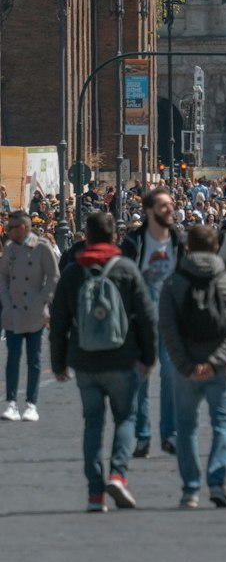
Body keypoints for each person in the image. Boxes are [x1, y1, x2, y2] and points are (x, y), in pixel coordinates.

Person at [49, 210, 157, 511]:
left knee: (92, 424)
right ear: (114, 236)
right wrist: (149, 357)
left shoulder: (72, 271)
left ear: (86, 235)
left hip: (85, 361)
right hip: (123, 358)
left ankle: (95, 494)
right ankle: (118, 476)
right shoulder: (125, 269)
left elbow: (59, 323)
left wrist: (59, 363)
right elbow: (146, 318)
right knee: (126, 418)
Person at [159, 223, 226, 508]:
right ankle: (217, 481)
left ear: (187, 248)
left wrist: (186, 364)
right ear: (216, 248)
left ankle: (190, 489)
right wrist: (217, 362)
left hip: (186, 367)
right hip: (221, 368)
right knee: (223, 423)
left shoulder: (173, 283)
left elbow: (168, 329)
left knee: (186, 427)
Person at [121, 188, 186, 457]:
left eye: (171, 205)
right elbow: (123, 280)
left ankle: (169, 434)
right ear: (149, 211)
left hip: (171, 320)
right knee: (140, 380)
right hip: (141, 322)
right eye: (163, 206)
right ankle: (143, 436)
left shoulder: (177, 240)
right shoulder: (134, 242)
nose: (170, 209)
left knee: (171, 376)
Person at [0, 208, 60, 423]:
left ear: (22, 228)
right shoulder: (9, 249)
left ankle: (31, 403)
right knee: (12, 359)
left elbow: (53, 277)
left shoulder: (42, 248)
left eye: (11, 228)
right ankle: (11, 403)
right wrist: (6, 303)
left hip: (35, 312)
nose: (7, 231)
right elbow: (3, 279)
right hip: (13, 312)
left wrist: (42, 300)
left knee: (34, 359)